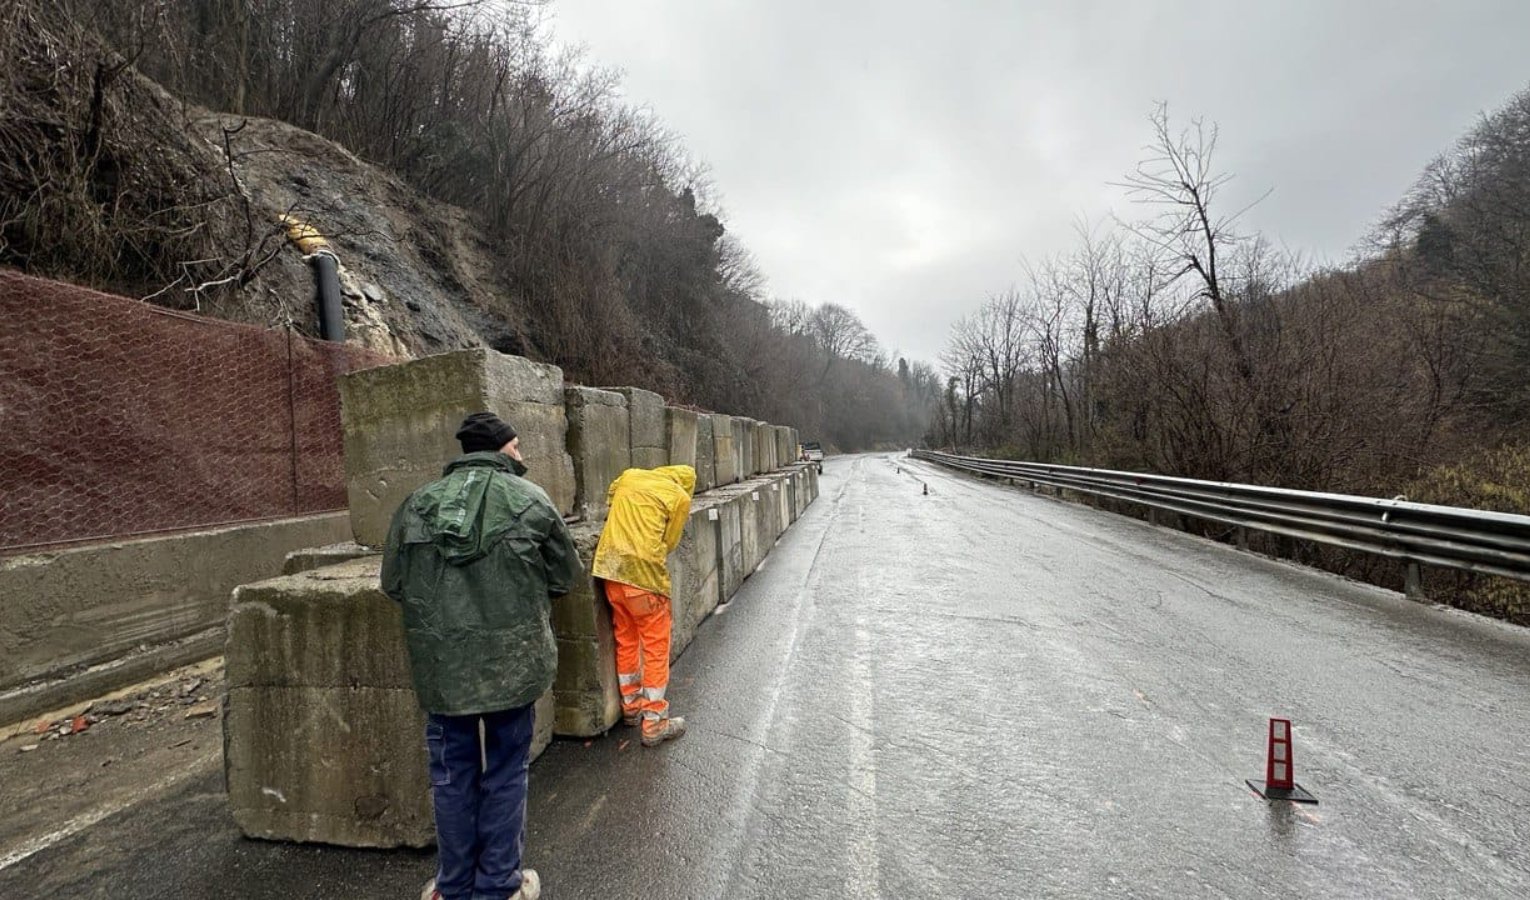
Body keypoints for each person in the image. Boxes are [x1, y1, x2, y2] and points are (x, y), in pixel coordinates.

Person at [382, 412, 580, 900]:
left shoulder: (416, 504)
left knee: (451, 776)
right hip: (513, 668)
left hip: (442, 673)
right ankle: (498, 886)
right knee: (507, 768)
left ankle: (452, 887)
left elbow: (393, 583)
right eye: (518, 448)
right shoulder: (530, 500)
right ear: (506, 449)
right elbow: (565, 577)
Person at [592, 465, 697, 747]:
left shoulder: (630, 475)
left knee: (625, 637)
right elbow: (670, 540)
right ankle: (654, 722)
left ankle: (631, 706)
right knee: (655, 648)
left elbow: (610, 498)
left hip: (609, 569)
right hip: (643, 578)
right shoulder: (679, 496)